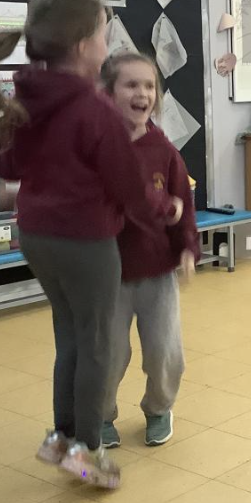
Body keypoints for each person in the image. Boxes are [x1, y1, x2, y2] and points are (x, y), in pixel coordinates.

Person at [0, 0, 182, 489]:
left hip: (37, 237)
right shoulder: (95, 109)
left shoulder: (24, 96)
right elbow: (128, 187)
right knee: (98, 345)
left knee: (71, 339)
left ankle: (60, 437)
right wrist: (163, 208)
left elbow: (10, 168)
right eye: (104, 36)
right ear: (84, 45)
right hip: (86, 241)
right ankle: (85, 450)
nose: (107, 46)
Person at [100, 52, 199, 449]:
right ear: (108, 94)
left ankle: (159, 407)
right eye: (131, 84)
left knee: (164, 352)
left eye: (149, 86)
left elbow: (182, 204)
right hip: (107, 273)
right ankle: (101, 414)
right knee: (108, 354)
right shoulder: (97, 147)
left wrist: (187, 248)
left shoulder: (164, 151)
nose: (142, 93)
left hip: (157, 270)